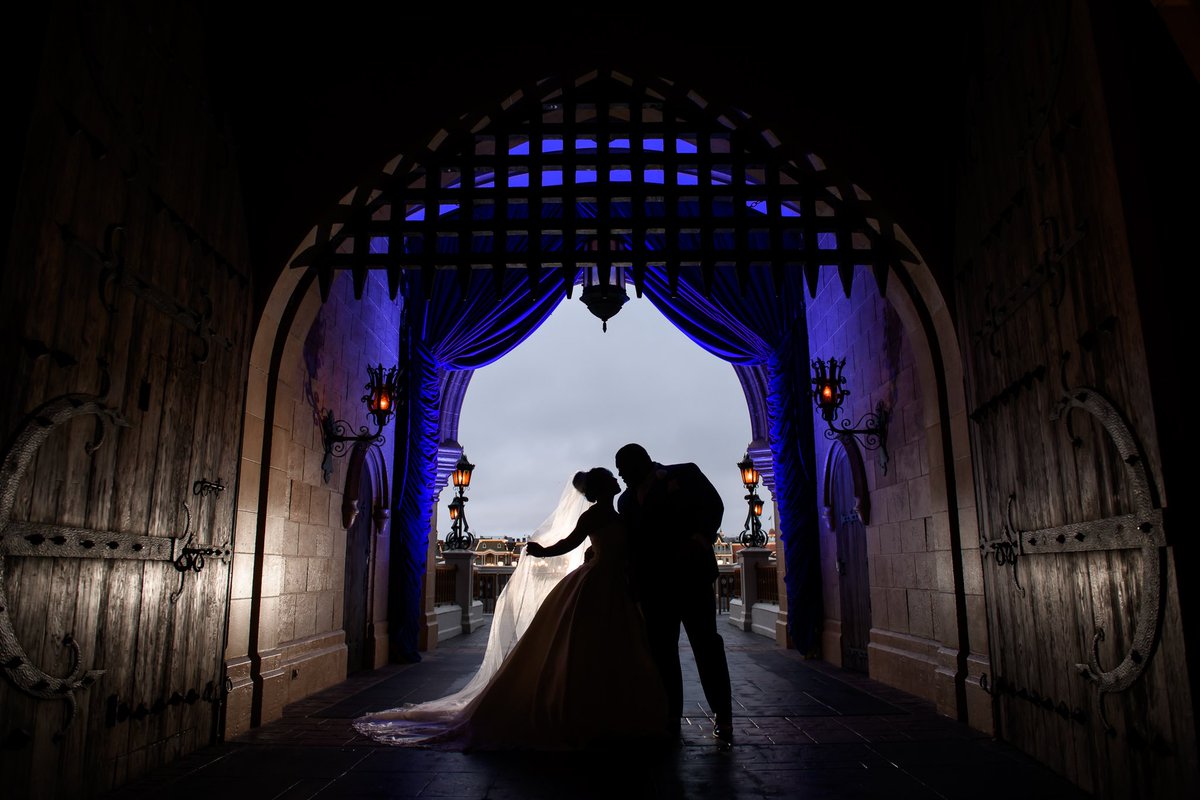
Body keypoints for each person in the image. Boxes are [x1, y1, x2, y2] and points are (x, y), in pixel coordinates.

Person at [354, 468, 668, 749]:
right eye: (611, 478)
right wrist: (543, 552)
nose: (617, 480)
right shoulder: (596, 517)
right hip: (601, 582)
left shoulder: (619, 514)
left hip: (612, 582)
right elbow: (571, 543)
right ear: (602, 488)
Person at [614, 443, 734, 747]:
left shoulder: (685, 474)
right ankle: (670, 718)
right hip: (654, 589)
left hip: (691, 578)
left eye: (624, 469)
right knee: (662, 654)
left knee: (706, 646)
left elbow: (714, 506)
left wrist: (698, 539)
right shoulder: (625, 502)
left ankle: (723, 715)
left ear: (641, 463)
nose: (622, 476)